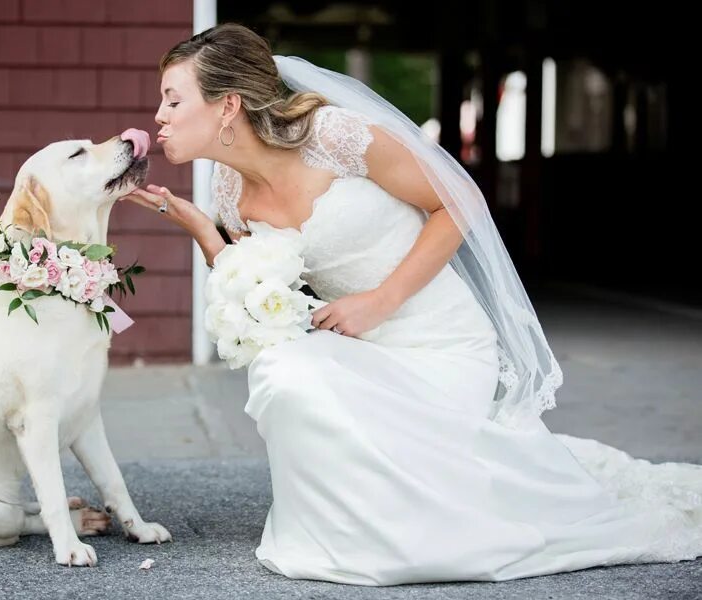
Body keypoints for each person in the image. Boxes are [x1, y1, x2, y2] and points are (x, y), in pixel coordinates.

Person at [120, 23, 702, 585]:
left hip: (441, 343)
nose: (159, 116)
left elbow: (461, 201)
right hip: (363, 353)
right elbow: (255, 292)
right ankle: (335, 536)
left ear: (227, 106)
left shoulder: (334, 136)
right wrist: (201, 229)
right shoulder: (226, 189)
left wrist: (380, 300)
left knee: (396, 450)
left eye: (173, 99)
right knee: (282, 367)